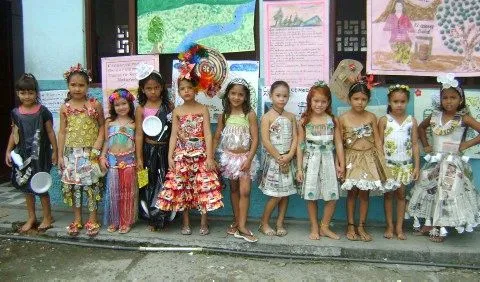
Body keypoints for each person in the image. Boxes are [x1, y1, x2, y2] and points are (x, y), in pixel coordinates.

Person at [408, 74, 480, 242]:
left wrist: (465, 145)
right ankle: (429, 223)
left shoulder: (463, 118)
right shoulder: (434, 116)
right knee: (429, 190)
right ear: (440, 99)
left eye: (453, 97)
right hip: (435, 161)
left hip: (453, 162)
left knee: (446, 193)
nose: (449, 101)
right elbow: (420, 128)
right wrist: (426, 145)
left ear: (460, 99)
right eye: (445, 97)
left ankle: (441, 228)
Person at [156, 77, 223, 235]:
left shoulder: (203, 109)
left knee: (203, 187)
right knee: (183, 187)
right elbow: (173, 136)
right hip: (182, 155)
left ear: (196, 89)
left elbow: (207, 132)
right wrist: (170, 157)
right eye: (182, 89)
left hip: (201, 155)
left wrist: (210, 157)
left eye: (189, 88)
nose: (186, 91)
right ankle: (185, 222)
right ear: (178, 92)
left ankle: (204, 222)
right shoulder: (177, 111)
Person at [339, 81, 398, 242]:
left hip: (370, 158)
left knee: (365, 194)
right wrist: (341, 163)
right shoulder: (342, 118)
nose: (360, 102)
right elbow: (339, 143)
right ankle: (350, 225)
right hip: (351, 158)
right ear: (350, 99)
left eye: (364, 99)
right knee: (352, 194)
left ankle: (361, 226)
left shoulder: (372, 117)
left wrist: (382, 161)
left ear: (368, 100)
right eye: (356, 98)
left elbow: (378, 141)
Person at [5, 73, 57, 233]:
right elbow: (14, 133)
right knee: (26, 188)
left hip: (40, 157)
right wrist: (8, 151)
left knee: (41, 187)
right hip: (22, 156)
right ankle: (32, 217)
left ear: (36, 93)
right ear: (17, 93)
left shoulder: (43, 111)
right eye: (23, 93)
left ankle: (47, 217)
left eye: (30, 92)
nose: (26, 96)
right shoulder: (16, 113)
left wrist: (55, 150)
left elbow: (50, 132)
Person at [58, 64, 105, 237]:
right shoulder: (65, 108)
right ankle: (77, 219)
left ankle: (93, 219)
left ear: (88, 86)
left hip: (90, 153)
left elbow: (102, 127)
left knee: (91, 186)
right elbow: (62, 131)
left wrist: (97, 147)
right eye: (73, 85)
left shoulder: (95, 105)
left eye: (81, 85)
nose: (77, 89)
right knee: (74, 187)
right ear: (68, 86)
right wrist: (60, 156)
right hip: (71, 154)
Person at [296, 81, 344, 240]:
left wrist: (341, 163)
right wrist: (299, 168)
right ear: (310, 100)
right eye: (316, 101)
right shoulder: (304, 121)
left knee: (332, 195)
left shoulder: (333, 120)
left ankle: (324, 226)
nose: (319, 104)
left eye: (323, 101)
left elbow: (338, 143)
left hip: (329, 160)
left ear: (328, 102)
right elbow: (300, 145)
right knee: (311, 195)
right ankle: (314, 227)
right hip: (310, 161)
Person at [213, 78, 259, 242]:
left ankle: (242, 226)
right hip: (229, 158)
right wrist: (211, 156)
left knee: (245, 191)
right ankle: (237, 221)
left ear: (245, 96)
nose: (236, 97)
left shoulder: (250, 114)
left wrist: (249, 159)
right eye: (233, 93)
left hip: (245, 158)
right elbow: (217, 136)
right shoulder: (224, 115)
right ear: (228, 95)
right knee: (233, 190)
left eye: (240, 94)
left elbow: (255, 139)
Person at [378, 84, 420, 240]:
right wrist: (381, 166)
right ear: (389, 101)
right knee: (388, 196)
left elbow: (415, 145)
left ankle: (399, 227)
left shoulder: (411, 121)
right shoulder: (384, 120)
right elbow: (379, 145)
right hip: (388, 165)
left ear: (407, 101)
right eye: (395, 101)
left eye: (402, 101)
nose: (399, 105)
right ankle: (389, 226)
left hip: (404, 166)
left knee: (401, 196)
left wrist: (416, 166)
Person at [134, 66, 174, 231]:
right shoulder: (141, 109)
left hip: (165, 151)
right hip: (148, 150)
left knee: (165, 182)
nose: (153, 91)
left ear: (162, 87)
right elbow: (138, 134)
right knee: (147, 182)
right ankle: (150, 217)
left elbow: (173, 131)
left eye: (156, 87)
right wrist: (139, 158)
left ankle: (164, 216)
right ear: (142, 89)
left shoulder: (169, 106)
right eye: (149, 88)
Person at [258, 81, 298, 237]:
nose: (282, 99)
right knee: (276, 194)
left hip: (288, 159)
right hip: (274, 160)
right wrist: (278, 157)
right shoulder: (267, 117)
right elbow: (265, 140)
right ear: (271, 96)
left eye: (285, 96)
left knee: (285, 193)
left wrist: (289, 156)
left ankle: (280, 222)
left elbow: (295, 138)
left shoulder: (291, 117)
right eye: (278, 95)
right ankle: (264, 222)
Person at [100, 89, 137, 234]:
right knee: (114, 192)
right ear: (112, 107)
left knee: (128, 192)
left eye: (124, 103)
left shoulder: (134, 122)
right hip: (112, 161)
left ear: (130, 104)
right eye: (117, 105)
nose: (121, 107)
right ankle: (114, 221)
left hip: (129, 162)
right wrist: (102, 157)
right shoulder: (109, 122)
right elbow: (106, 142)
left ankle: (126, 221)